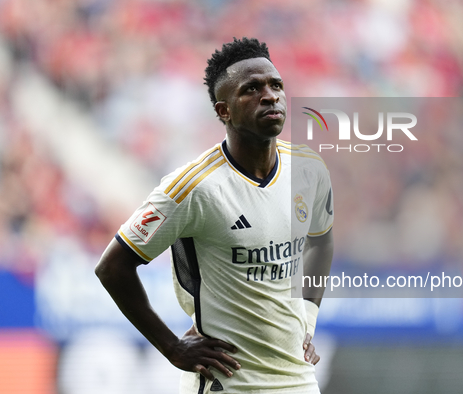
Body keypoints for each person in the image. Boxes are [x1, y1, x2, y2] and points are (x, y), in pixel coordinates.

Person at [95, 37, 334, 394]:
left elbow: (321, 242)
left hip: (297, 380)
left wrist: (308, 320)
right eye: (251, 89)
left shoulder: (309, 169)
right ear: (224, 111)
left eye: (276, 85)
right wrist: (171, 346)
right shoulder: (192, 188)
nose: (270, 96)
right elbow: (112, 267)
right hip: (229, 382)